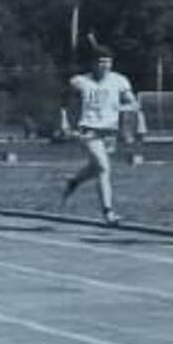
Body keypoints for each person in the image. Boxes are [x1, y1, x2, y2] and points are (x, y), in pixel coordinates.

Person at [61, 44, 139, 226]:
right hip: (88, 129)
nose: (105, 65)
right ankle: (108, 212)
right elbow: (64, 103)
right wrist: (65, 123)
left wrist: (122, 107)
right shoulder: (79, 81)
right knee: (103, 168)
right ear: (93, 63)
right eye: (101, 62)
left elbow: (133, 104)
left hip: (109, 130)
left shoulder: (120, 81)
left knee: (96, 167)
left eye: (108, 62)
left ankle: (74, 181)